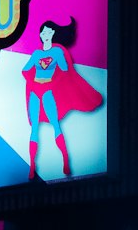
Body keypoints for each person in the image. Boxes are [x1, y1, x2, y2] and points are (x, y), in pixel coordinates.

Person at [20, 18, 103, 181]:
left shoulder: (57, 52)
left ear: (53, 34)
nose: (45, 34)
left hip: (47, 91)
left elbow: (65, 70)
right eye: (43, 32)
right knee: (35, 128)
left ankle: (65, 160)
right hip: (36, 91)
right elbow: (25, 70)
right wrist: (33, 83)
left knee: (55, 124)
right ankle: (32, 166)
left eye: (49, 32)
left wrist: (53, 82)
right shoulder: (37, 54)